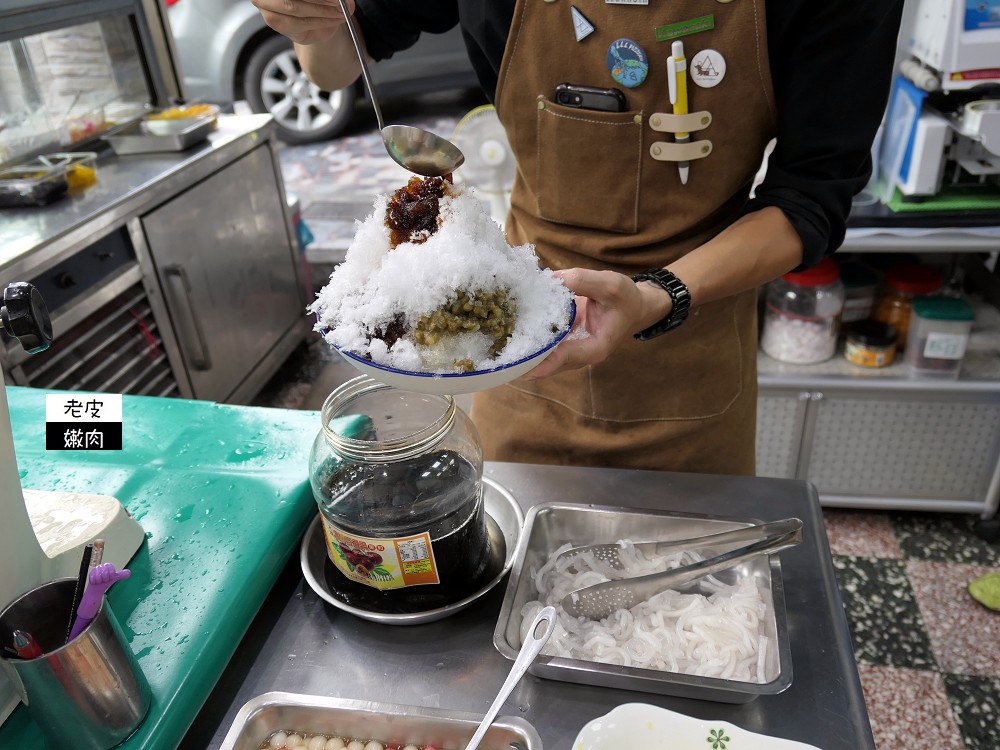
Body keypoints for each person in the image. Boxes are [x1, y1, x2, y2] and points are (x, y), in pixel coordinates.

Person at [253, 0, 904, 475]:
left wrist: (659, 294)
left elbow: (811, 198)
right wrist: (312, 20)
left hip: (691, 352)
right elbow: (337, 63)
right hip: (520, 340)